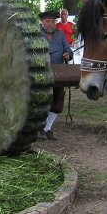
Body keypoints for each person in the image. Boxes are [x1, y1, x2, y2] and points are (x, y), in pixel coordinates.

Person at [39, 10, 73, 140]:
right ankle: (38, 128)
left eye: (52, 21)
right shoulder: (36, 34)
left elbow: (68, 50)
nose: (50, 24)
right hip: (40, 74)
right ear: (42, 22)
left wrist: (68, 55)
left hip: (59, 74)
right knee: (41, 102)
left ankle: (47, 129)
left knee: (57, 102)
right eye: (47, 21)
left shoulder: (61, 35)